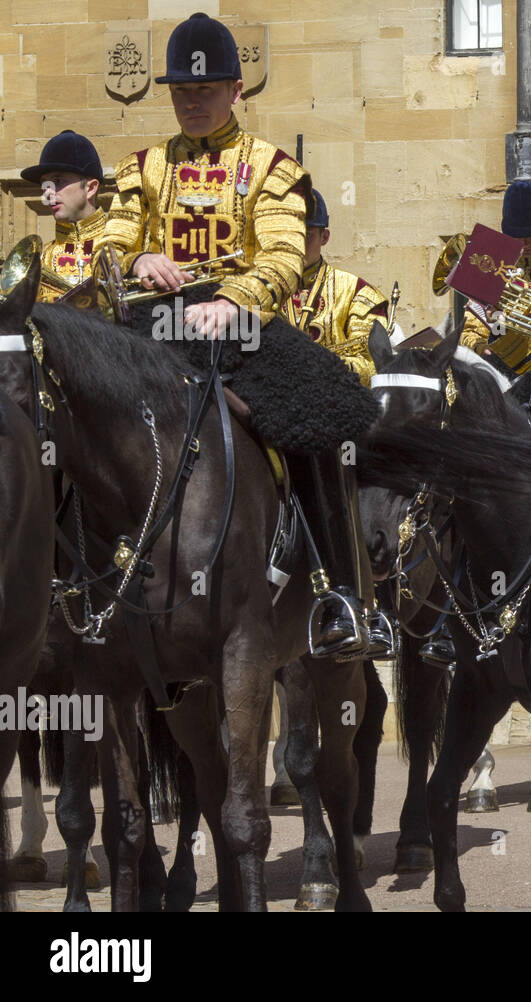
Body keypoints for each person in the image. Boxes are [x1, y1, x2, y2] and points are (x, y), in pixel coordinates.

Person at [103, 12, 383, 658]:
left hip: (243, 331)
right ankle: (75, 583)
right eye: (180, 92)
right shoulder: (141, 170)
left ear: (235, 90)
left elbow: (284, 256)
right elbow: (109, 246)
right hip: (156, 329)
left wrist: (235, 299)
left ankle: (342, 598)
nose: (192, 102)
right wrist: (136, 260)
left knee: (320, 411)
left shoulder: (272, 169)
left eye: (205, 90)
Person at [459, 179, 531, 369]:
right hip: (505, 375)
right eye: (517, 239)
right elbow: (469, 332)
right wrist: (483, 345)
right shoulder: (493, 273)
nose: (525, 245)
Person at [283, 188, 389, 386]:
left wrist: (324, 365)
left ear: (325, 237)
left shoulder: (358, 293)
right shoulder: (258, 291)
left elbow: (374, 364)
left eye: (307, 236)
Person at [21, 130, 108, 298]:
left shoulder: (124, 249)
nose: (47, 194)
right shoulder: (39, 260)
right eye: (45, 185)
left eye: (57, 182)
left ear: (90, 188)